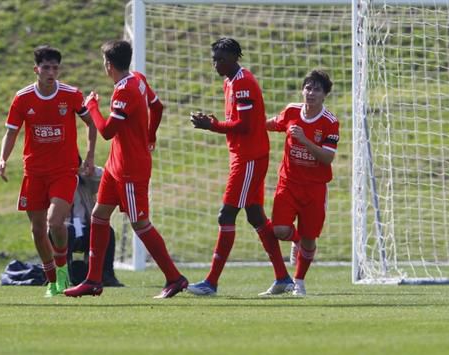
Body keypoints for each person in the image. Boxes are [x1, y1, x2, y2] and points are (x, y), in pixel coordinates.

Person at [64, 40, 188, 299]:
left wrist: (92, 108)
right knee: (98, 216)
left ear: (108, 65)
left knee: (140, 223)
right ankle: (93, 280)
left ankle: (175, 278)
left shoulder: (125, 91)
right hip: (115, 166)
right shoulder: (138, 79)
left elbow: (107, 131)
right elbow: (157, 106)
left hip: (131, 169)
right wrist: (150, 134)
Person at [189, 37, 292, 296]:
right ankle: (283, 277)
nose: (216, 64)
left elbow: (245, 125)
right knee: (255, 216)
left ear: (235, 57)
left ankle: (211, 283)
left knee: (226, 215)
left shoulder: (243, 83)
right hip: (244, 157)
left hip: (249, 158)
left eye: (221, 59)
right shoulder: (231, 81)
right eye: (214, 59)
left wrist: (211, 125)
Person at [0, 45, 97, 298]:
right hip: (34, 172)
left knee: (55, 222)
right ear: (36, 70)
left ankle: (63, 272)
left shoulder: (71, 94)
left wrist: (89, 156)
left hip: (64, 171)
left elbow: (91, 124)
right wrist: (2, 159)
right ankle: (52, 280)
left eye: (55, 67)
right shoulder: (22, 98)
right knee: (37, 230)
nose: (51, 72)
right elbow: (12, 131)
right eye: (46, 67)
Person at [266, 69, 339, 296]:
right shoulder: (291, 111)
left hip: (315, 188)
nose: (311, 93)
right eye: (308, 88)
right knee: (278, 230)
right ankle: (294, 240)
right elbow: (271, 124)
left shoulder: (330, 122)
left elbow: (327, 157)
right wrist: (246, 122)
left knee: (310, 240)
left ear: (325, 94)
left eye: (317, 89)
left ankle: (299, 281)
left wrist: (304, 140)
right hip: (288, 183)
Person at [65, 161, 124, 287]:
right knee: (66, 230)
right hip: (66, 226)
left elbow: (105, 176)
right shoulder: (57, 182)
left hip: (85, 227)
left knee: (108, 231)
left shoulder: (86, 182)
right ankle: (65, 275)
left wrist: (89, 169)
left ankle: (106, 275)